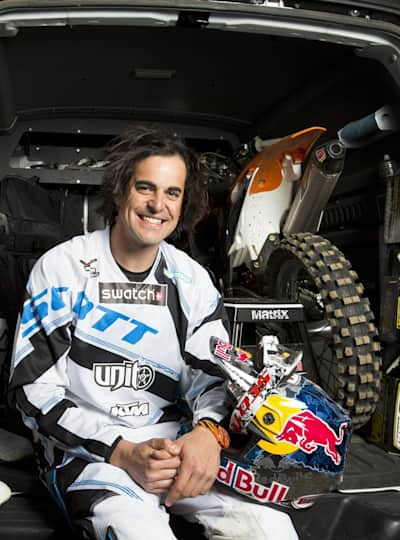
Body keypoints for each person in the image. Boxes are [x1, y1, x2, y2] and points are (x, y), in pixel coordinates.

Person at [9, 127, 299, 540]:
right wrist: (121, 451)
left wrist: (208, 433)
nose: (157, 205)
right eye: (145, 188)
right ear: (120, 191)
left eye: (172, 193)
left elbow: (214, 378)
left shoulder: (192, 279)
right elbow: (32, 390)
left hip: (177, 447)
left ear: (183, 203)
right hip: (90, 453)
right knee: (139, 532)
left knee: (272, 529)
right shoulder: (63, 268)